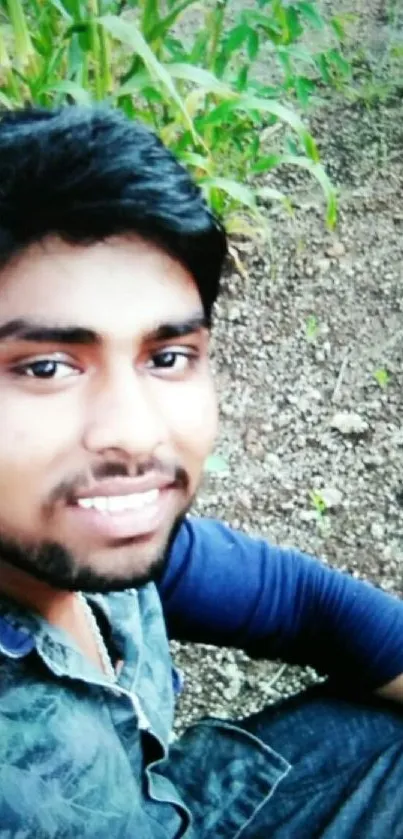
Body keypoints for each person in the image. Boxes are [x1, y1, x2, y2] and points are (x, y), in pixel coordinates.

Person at [0, 104, 402, 839]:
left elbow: (306, 605)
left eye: (166, 356)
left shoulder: (92, 540)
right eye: (46, 366)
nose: (135, 433)